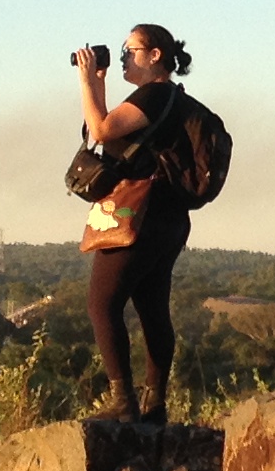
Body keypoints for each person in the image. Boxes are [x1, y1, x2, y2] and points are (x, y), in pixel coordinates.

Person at [75, 23, 202, 422]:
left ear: (155, 56)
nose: (125, 56)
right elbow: (107, 132)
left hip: (140, 215)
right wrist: (97, 84)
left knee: (102, 305)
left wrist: (83, 80)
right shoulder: (172, 100)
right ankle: (155, 405)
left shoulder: (154, 94)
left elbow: (100, 130)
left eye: (131, 50)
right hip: (168, 219)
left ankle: (124, 404)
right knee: (152, 308)